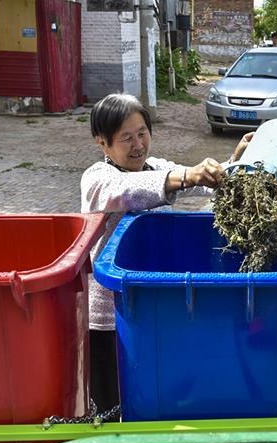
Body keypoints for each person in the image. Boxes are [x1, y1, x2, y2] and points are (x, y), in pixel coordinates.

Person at [81, 93, 253, 414]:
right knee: (112, 402)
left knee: (151, 391)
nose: (137, 145)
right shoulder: (97, 179)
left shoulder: (157, 166)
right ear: (103, 144)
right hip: (107, 317)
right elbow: (128, 190)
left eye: (142, 133)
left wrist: (235, 160)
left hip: (148, 307)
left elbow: (197, 180)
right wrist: (186, 176)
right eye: (126, 138)